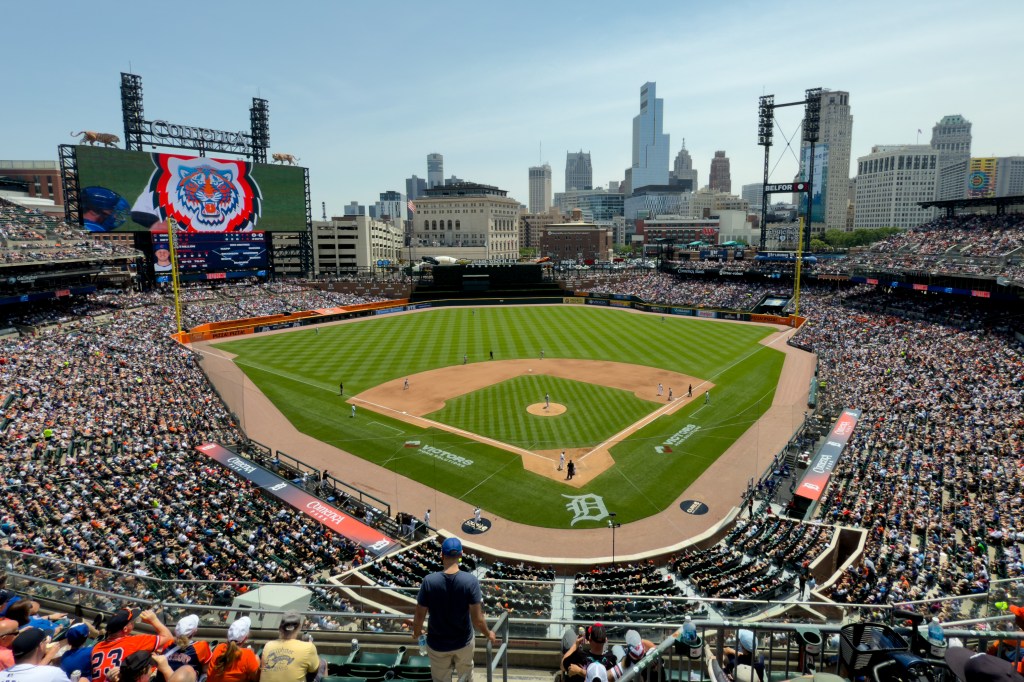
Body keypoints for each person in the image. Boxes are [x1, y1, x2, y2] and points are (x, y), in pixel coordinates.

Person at [412, 537, 496, 682]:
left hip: (437, 644)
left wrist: (416, 632)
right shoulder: (470, 581)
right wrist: (489, 634)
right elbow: (477, 620)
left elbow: (419, 616)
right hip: (463, 643)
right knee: (466, 678)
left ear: (442, 555)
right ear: (461, 554)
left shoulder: (429, 581)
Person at [91, 609, 172, 682]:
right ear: (125, 629)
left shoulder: (97, 647)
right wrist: (154, 620)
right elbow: (168, 638)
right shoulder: (134, 642)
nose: (133, 622)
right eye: (131, 621)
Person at [259, 612, 320, 682]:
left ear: (280, 627)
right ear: (299, 627)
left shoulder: (268, 645)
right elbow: (313, 671)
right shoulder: (308, 647)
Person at [206, 617, 260, 682]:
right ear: (245, 639)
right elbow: (257, 678)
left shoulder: (219, 648)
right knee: (256, 659)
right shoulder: (248, 655)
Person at [163, 615, 211, 682]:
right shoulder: (201, 646)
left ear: (175, 631)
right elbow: (206, 669)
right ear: (195, 632)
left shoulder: (166, 643)